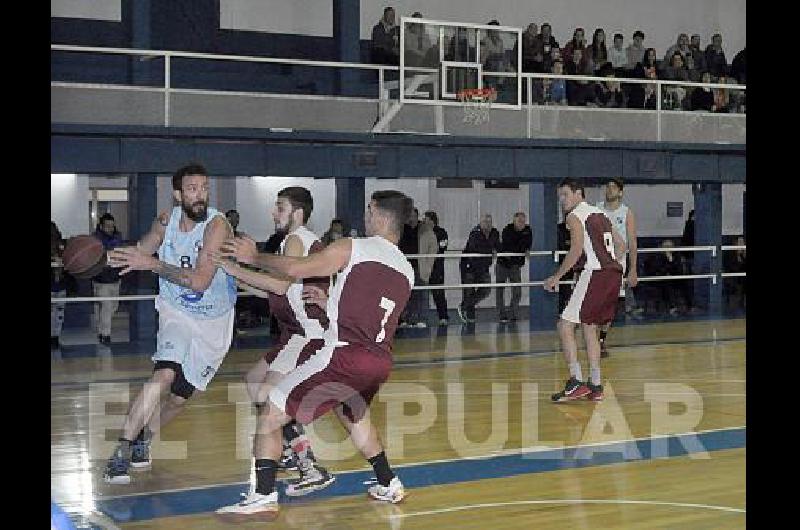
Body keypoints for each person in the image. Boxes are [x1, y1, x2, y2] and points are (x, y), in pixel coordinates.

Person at [215, 191, 415, 516]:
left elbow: (296, 268)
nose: (365, 215)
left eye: (369, 209)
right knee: (355, 419)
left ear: (379, 215)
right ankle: (389, 481)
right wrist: (330, 303)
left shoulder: (356, 247)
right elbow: (374, 312)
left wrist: (253, 257)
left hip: (342, 355)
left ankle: (264, 494)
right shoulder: (406, 270)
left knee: (271, 410)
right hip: (378, 361)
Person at [102, 163, 237, 484]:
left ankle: (144, 440)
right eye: (193, 189)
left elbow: (201, 282)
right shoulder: (166, 220)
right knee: (163, 374)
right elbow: (147, 245)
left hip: (215, 321)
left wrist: (151, 263)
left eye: (204, 188)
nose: (200, 194)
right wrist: (123, 257)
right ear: (178, 195)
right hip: (176, 310)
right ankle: (120, 451)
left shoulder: (217, 227)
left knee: (179, 397)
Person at [213, 187, 335, 496]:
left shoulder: (295, 240)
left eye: (279, 207)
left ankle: (307, 464)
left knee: (269, 399)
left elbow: (279, 287)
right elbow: (279, 290)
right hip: (295, 334)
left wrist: (233, 267)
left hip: (308, 334)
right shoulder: (294, 242)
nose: (273, 212)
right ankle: (292, 451)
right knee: (254, 381)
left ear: (297, 213)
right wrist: (237, 279)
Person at [544, 178, 625, 403]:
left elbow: (576, 249)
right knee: (590, 327)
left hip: (596, 274)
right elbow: (621, 246)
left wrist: (557, 277)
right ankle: (596, 384)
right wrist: (608, 263)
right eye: (560, 196)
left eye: (565, 195)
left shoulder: (574, 215)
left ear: (579, 193)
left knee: (565, 325)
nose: (562, 200)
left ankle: (576, 381)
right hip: (612, 274)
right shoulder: (601, 214)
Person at [596, 178, 640, 357]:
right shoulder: (597, 209)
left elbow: (632, 243)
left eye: (613, 187)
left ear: (621, 192)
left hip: (617, 266)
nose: (609, 190)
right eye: (607, 186)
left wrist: (633, 269)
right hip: (597, 263)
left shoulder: (626, 213)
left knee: (609, 305)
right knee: (595, 303)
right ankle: (593, 338)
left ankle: (601, 340)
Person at [458, 214, 500, 323]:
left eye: (489, 222)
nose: (487, 224)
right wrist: (491, 250)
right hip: (469, 265)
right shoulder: (475, 233)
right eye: (485, 222)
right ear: (480, 223)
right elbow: (476, 247)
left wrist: (496, 250)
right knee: (469, 290)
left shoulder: (494, 233)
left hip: (484, 266)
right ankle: (470, 317)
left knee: (486, 289)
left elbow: (498, 245)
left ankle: (464, 306)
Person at [92, 213, 125, 345]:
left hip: (115, 278)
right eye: (107, 226)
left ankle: (102, 328)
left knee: (113, 307)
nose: (110, 229)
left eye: (112, 226)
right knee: (106, 306)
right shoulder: (95, 240)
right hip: (101, 280)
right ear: (101, 226)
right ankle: (105, 334)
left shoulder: (118, 237)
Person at [496, 212, 532, 322]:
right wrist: (522, 248)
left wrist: (524, 249)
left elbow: (527, 244)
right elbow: (511, 246)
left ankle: (512, 314)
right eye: (519, 221)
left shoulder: (528, 230)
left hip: (515, 265)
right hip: (502, 264)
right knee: (500, 289)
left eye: (523, 221)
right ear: (514, 221)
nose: (522, 223)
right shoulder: (507, 230)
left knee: (517, 291)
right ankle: (501, 314)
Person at [424, 211, 449, 325]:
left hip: (437, 267)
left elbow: (442, 247)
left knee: (438, 292)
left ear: (432, 220)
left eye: (426, 219)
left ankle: (443, 317)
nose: (424, 221)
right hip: (424, 267)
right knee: (422, 293)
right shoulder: (422, 232)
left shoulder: (442, 232)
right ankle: (421, 318)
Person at [51, 221, 67, 350]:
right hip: (55, 284)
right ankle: (54, 337)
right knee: (55, 312)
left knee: (59, 312)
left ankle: (55, 337)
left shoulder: (62, 246)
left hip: (60, 284)